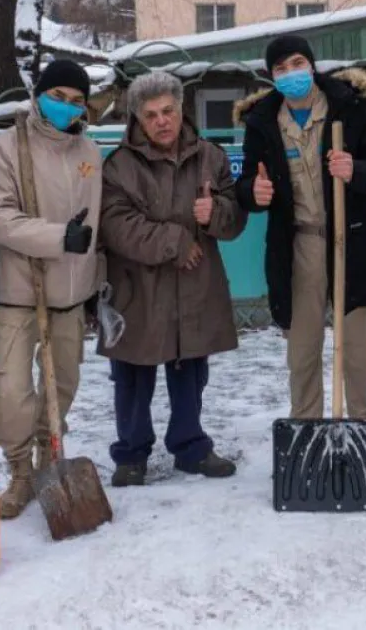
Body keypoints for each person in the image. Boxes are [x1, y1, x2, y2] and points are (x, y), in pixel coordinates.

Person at [232, 35, 366, 421]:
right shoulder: (262, 124)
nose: (291, 74)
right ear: (271, 76)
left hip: (351, 243)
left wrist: (356, 170)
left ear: (312, 64)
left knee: (357, 354)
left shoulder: (352, 108)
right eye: (280, 68)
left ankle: (365, 432)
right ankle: (306, 434)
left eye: (297, 63)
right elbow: (243, 188)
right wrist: (252, 192)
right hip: (298, 247)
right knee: (302, 354)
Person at [97, 72, 247, 486]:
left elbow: (234, 216)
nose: (162, 121)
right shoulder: (119, 166)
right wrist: (175, 240)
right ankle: (131, 453)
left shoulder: (211, 157)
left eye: (168, 111)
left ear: (181, 111)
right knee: (131, 373)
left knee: (191, 368)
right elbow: (116, 225)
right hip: (137, 287)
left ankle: (190, 445)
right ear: (137, 121)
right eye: (151, 115)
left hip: (195, 285)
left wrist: (215, 213)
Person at [0, 59, 103, 519]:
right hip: (18, 293)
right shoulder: (7, 149)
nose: (66, 106)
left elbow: (95, 225)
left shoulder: (89, 152)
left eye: (76, 100)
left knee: (62, 384)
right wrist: (55, 238)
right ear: (38, 96)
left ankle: (51, 457)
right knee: (13, 390)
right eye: (58, 96)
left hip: (70, 294)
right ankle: (20, 470)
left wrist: (94, 282)